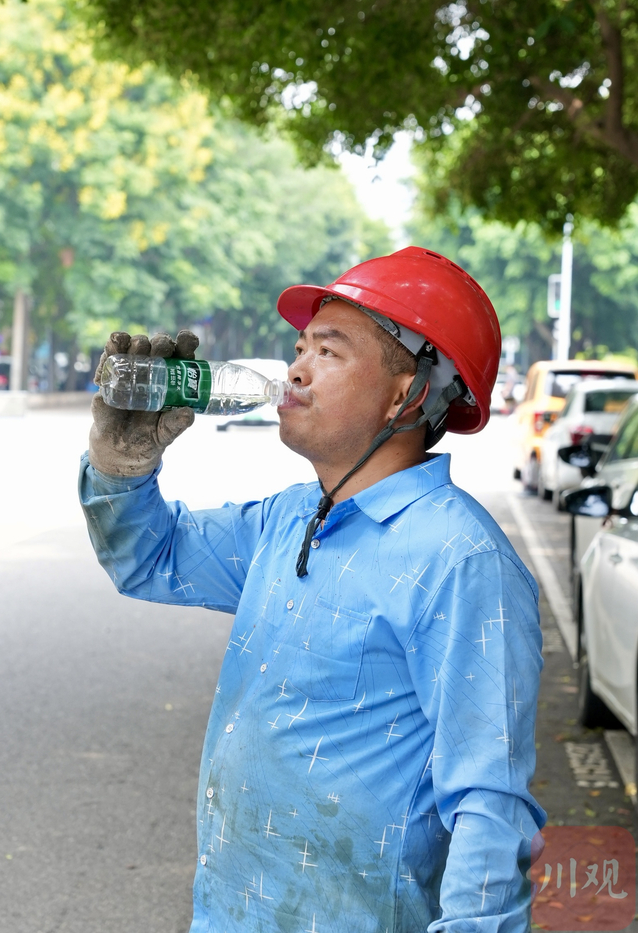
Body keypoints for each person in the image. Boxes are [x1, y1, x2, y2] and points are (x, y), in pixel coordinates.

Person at [79, 246, 545, 932]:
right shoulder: (290, 517)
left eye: (328, 351)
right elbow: (150, 557)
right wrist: (119, 463)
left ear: (408, 393)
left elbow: (491, 804)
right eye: (300, 347)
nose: (295, 368)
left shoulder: (461, 559)